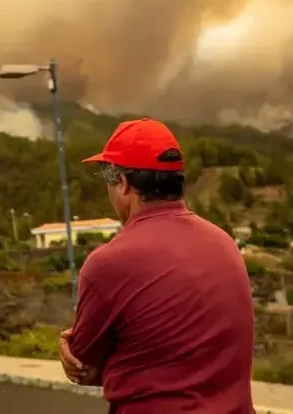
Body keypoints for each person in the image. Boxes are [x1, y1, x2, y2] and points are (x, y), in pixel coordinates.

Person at [60, 118, 254, 413]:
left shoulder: (109, 263)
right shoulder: (225, 244)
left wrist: (70, 348)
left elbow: (83, 367)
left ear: (123, 184)